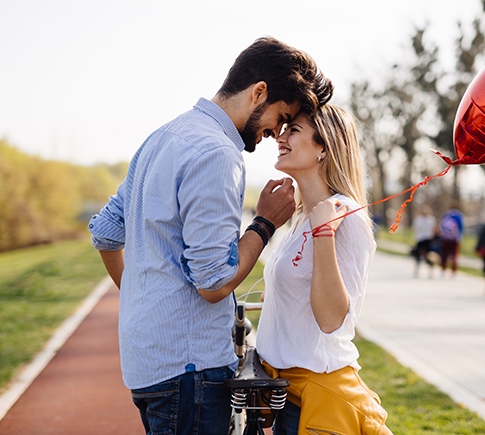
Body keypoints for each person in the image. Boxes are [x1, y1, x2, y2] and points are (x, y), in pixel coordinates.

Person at [87, 37, 333, 435]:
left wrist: (142, 297)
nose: (276, 132)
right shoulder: (216, 153)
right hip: (189, 370)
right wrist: (265, 223)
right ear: (258, 93)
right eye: (280, 116)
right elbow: (214, 282)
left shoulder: (163, 136)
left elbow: (106, 233)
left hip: (146, 362)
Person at [255, 105, 393, 434]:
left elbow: (332, 320)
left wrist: (324, 234)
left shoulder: (347, 218)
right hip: (284, 392)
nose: (280, 136)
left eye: (294, 130)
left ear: (324, 148)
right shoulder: (300, 215)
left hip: (318, 396)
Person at [438, 201, 464, 276]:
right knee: (454, 255)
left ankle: (443, 269)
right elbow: (461, 228)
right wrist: (460, 238)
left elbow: (441, 225)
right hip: (454, 239)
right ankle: (453, 270)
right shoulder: (459, 216)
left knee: (444, 254)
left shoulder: (446, 214)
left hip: (445, 238)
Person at [411, 204, 437, 277]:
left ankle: (428, 269)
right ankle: (421, 269)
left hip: (423, 238)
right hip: (424, 238)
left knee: (426, 255)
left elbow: (415, 228)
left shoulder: (427, 219)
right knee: (423, 254)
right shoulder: (426, 219)